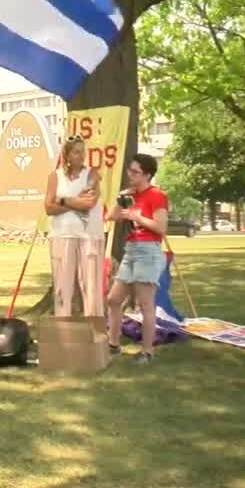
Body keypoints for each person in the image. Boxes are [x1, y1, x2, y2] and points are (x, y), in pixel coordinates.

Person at [107, 153, 169, 365]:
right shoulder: (130, 194)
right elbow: (112, 217)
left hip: (148, 251)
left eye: (136, 172)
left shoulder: (157, 195)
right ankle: (113, 345)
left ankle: (147, 351)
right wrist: (120, 200)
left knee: (145, 305)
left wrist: (137, 217)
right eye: (129, 171)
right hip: (131, 250)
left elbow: (161, 228)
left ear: (147, 175)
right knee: (113, 300)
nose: (131, 175)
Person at [44, 137, 105, 317]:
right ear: (67, 155)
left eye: (83, 151)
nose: (81, 155)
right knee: (63, 286)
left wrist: (62, 200)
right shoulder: (55, 177)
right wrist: (73, 202)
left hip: (89, 236)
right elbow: (48, 207)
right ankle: (64, 330)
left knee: (91, 286)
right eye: (77, 151)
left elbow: (88, 203)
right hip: (62, 235)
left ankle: (94, 330)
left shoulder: (92, 174)